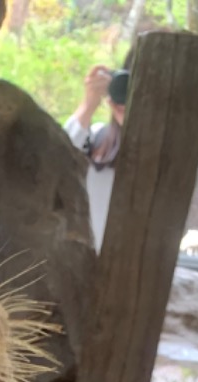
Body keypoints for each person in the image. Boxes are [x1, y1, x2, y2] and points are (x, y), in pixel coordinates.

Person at [65, 67, 129, 253]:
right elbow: (58, 157)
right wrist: (88, 105)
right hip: (80, 260)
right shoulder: (96, 136)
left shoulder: (159, 149)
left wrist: (134, 125)